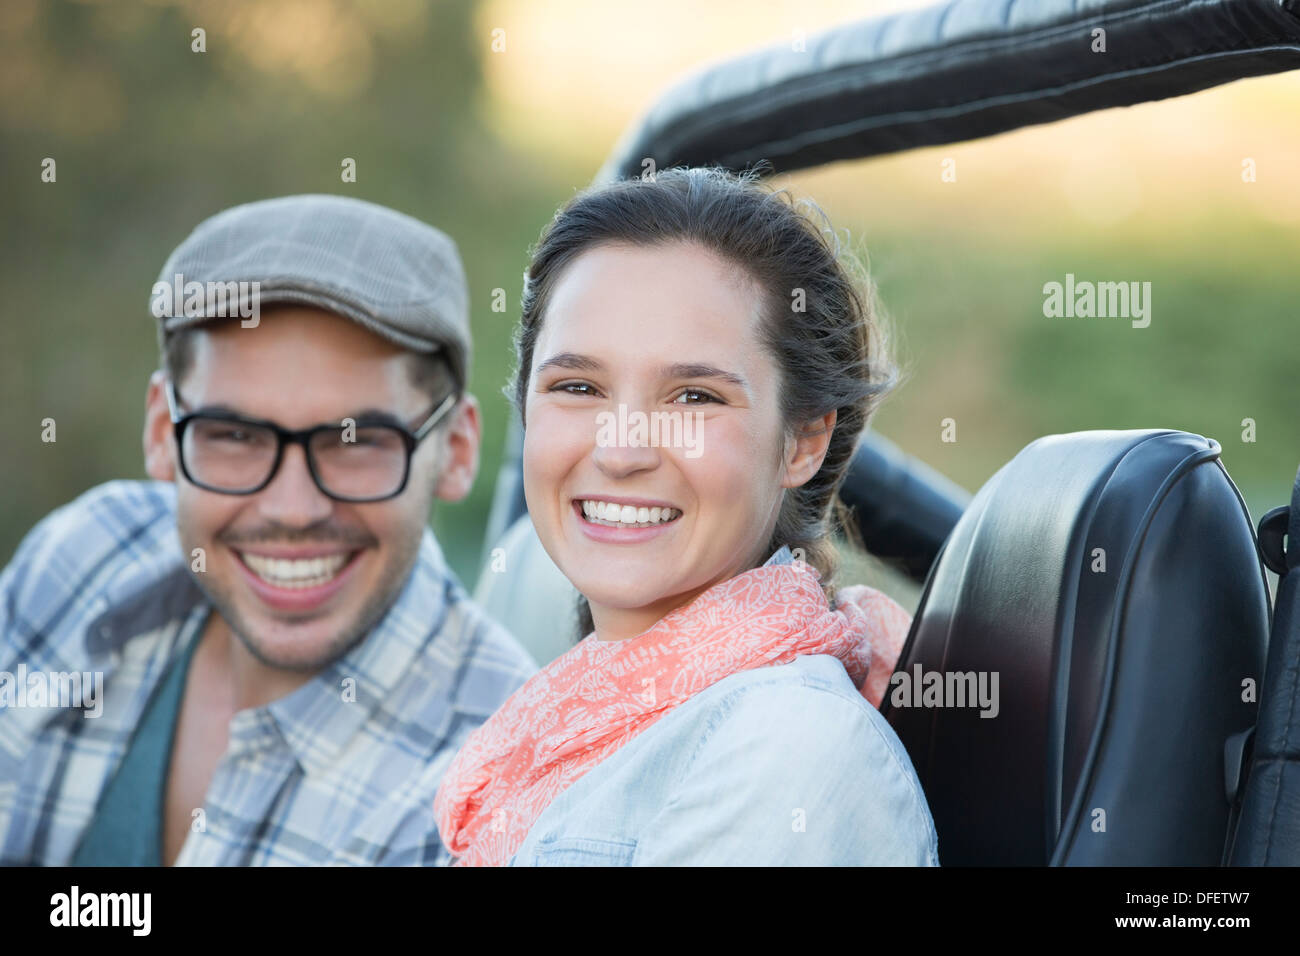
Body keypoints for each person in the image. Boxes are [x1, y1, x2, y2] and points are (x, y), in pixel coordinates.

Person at [0, 195, 536, 865]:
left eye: (356, 440)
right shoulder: (80, 558)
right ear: (163, 432)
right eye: (235, 435)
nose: (292, 508)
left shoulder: (498, 791)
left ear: (456, 449)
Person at [434, 167, 939, 866]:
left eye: (693, 398)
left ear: (804, 442)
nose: (621, 450)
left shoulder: (786, 751)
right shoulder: (571, 716)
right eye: (577, 386)